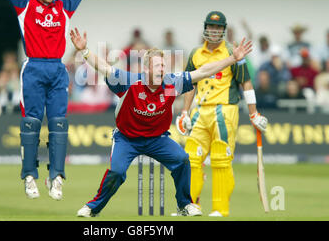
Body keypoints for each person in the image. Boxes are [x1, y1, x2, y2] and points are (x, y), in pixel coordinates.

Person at [69, 27, 253, 217]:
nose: (162, 69)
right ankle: (93, 208)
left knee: (182, 160)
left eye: (163, 65)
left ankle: (184, 204)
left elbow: (203, 72)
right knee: (116, 172)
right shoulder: (130, 82)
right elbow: (104, 68)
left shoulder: (171, 85)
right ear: (147, 68)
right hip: (127, 139)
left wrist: (232, 59)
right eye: (158, 66)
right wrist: (84, 51)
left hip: (157, 139)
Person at [0, 0, 104, 200]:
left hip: (57, 70)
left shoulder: (64, 5)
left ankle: (57, 177)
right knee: (31, 123)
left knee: (60, 124)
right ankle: (29, 176)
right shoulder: (25, 6)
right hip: (34, 69)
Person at [176, 11, 268, 217]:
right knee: (190, 158)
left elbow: (246, 82)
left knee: (220, 160)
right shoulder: (195, 54)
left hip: (225, 109)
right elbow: (190, 84)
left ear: (224, 30)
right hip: (200, 111)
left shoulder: (233, 53)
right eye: (211, 27)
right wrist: (184, 112)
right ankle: (190, 206)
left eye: (218, 28)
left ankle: (220, 208)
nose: (214, 31)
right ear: (205, 28)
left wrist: (254, 113)